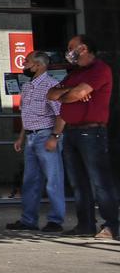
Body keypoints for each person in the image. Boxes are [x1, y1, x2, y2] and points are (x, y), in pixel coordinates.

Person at [47, 35, 118, 239]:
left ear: (83, 48)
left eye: (71, 48)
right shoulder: (75, 73)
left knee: (100, 181)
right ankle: (85, 224)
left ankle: (113, 225)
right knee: (78, 182)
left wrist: (69, 94)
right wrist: (70, 91)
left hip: (91, 132)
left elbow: (77, 95)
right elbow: (51, 94)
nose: (68, 52)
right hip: (71, 132)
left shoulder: (100, 70)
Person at [7, 51, 66, 232]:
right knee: (30, 180)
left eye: (27, 62)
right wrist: (21, 137)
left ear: (39, 65)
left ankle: (55, 220)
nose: (24, 65)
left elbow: (60, 114)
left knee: (53, 179)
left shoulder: (51, 86)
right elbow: (26, 113)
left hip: (46, 135)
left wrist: (54, 137)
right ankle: (28, 220)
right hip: (31, 137)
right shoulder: (27, 86)